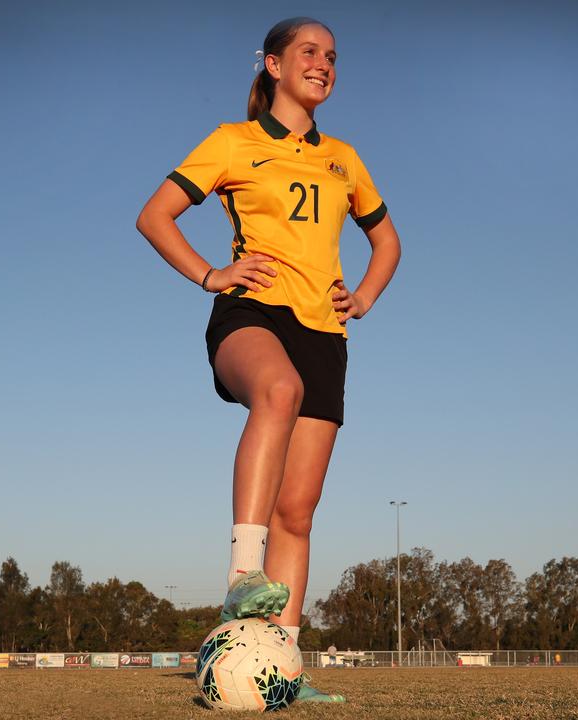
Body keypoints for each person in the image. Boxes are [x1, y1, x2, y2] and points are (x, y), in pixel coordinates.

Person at [136, 16, 401, 703]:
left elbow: (388, 241)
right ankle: (242, 577)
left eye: (333, 56)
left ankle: (284, 665)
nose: (324, 64)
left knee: (299, 512)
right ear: (275, 65)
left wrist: (364, 297)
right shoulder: (234, 142)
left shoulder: (344, 157)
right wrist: (208, 274)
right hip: (250, 314)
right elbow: (155, 215)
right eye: (309, 52)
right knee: (276, 389)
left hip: (325, 334)